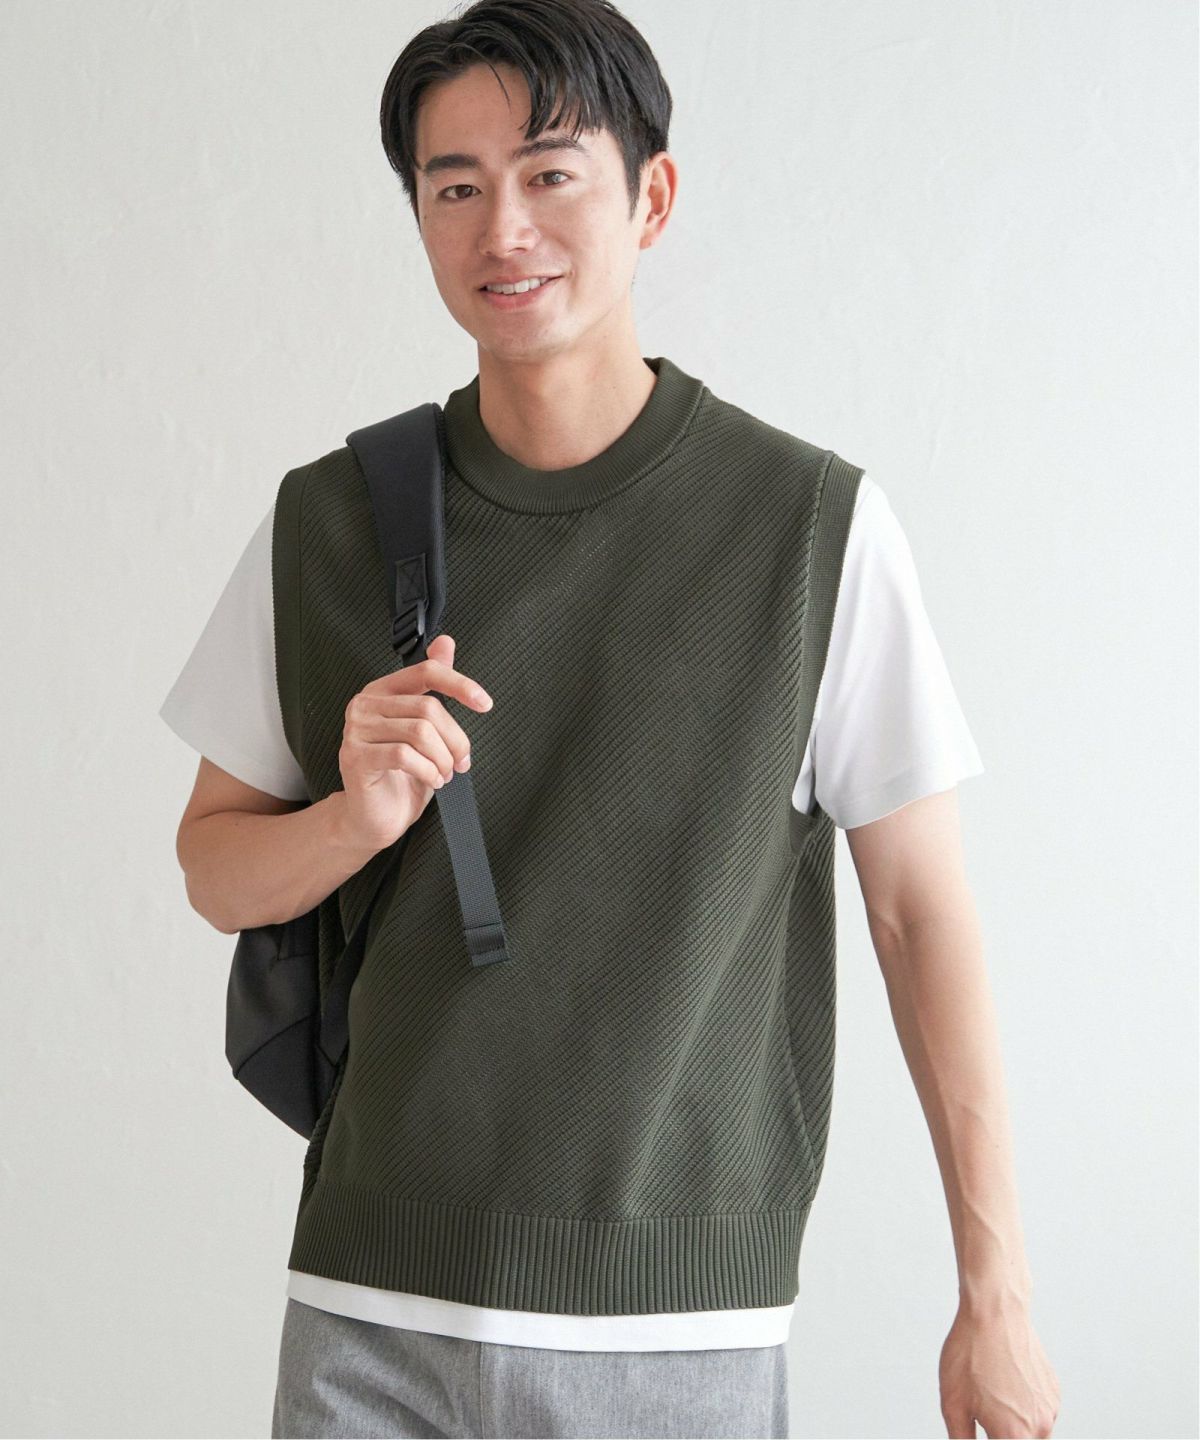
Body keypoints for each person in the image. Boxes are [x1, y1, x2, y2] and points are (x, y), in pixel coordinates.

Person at [159, 1, 1060, 1436]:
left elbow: (920, 916)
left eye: (549, 173)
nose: (502, 228)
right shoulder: (329, 520)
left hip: (676, 1332)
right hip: (369, 1313)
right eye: (455, 187)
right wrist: (351, 819)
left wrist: (995, 1293)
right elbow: (215, 867)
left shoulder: (810, 529)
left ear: (652, 198)